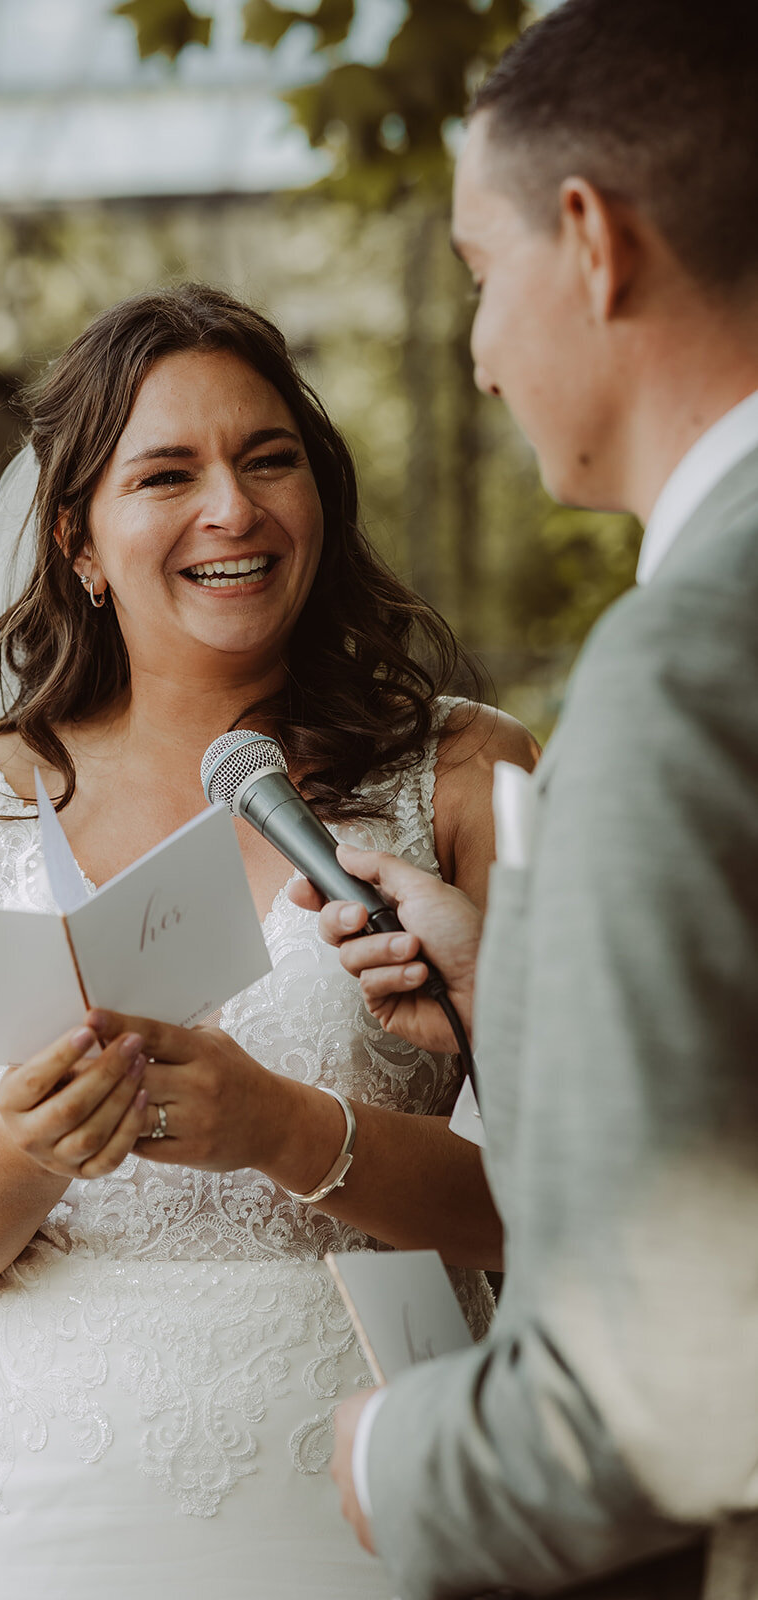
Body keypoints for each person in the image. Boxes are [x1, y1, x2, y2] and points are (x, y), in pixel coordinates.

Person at [0, 284, 535, 1600]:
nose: (232, 508)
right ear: (79, 542)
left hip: (369, 1493)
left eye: (269, 458)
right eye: (167, 473)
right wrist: (25, 1146)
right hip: (49, 1508)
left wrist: (288, 1130)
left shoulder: (460, 775)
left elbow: (558, 1201)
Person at [302, 2, 758, 1596]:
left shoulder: (691, 666)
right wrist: (518, 984)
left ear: (593, 241)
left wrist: (391, 1458)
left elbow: (670, 1391)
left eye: (482, 276)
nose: (481, 355)